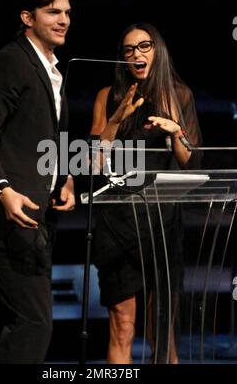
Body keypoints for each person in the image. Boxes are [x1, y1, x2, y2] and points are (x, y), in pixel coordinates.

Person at [0, 0, 75, 364]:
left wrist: (68, 178)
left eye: (67, 13)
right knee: (34, 324)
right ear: (27, 16)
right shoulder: (10, 61)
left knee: (21, 323)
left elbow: (52, 135)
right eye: (53, 11)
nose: (63, 20)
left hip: (37, 216)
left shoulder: (53, 70)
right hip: (9, 218)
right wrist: (2, 189)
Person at [90, 22, 202, 364]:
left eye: (144, 46)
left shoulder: (179, 95)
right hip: (117, 224)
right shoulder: (107, 96)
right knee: (122, 326)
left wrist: (175, 129)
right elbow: (93, 163)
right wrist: (117, 118)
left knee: (161, 330)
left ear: (158, 51)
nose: (136, 54)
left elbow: (190, 162)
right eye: (128, 50)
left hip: (161, 224)